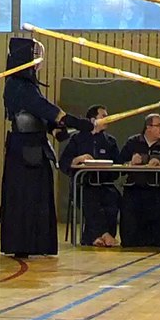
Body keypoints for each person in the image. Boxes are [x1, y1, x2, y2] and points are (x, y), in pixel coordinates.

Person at [0, 37, 95, 258]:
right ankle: (22, 244)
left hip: (35, 145)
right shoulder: (17, 85)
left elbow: (42, 117)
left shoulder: (29, 86)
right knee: (25, 196)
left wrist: (57, 130)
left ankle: (37, 244)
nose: (39, 62)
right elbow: (45, 110)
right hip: (23, 149)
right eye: (34, 56)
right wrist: (83, 123)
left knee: (38, 196)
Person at [58, 104, 120, 247]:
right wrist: (78, 159)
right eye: (104, 116)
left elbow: (117, 165)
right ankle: (105, 235)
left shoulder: (110, 141)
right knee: (90, 200)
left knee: (112, 200)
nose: (108, 119)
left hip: (104, 184)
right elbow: (64, 162)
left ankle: (94, 237)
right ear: (93, 120)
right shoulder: (77, 139)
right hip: (83, 184)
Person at [117, 113, 160, 247]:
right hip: (135, 188)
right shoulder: (132, 143)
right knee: (129, 205)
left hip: (159, 189)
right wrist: (130, 163)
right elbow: (119, 166)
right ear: (148, 127)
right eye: (159, 125)